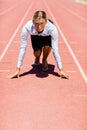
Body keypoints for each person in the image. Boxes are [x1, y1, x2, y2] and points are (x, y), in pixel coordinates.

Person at [10, 10, 69, 79]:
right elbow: (23, 47)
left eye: (42, 23)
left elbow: (55, 49)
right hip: (35, 36)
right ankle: (37, 58)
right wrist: (18, 69)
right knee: (37, 53)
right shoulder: (27, 27)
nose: (39, 27)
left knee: (47, 48)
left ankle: (44, 60)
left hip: (47, 36)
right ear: (33, 22)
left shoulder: (52, 28)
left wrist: (61, 69)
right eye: (37, 24)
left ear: (46, 21)